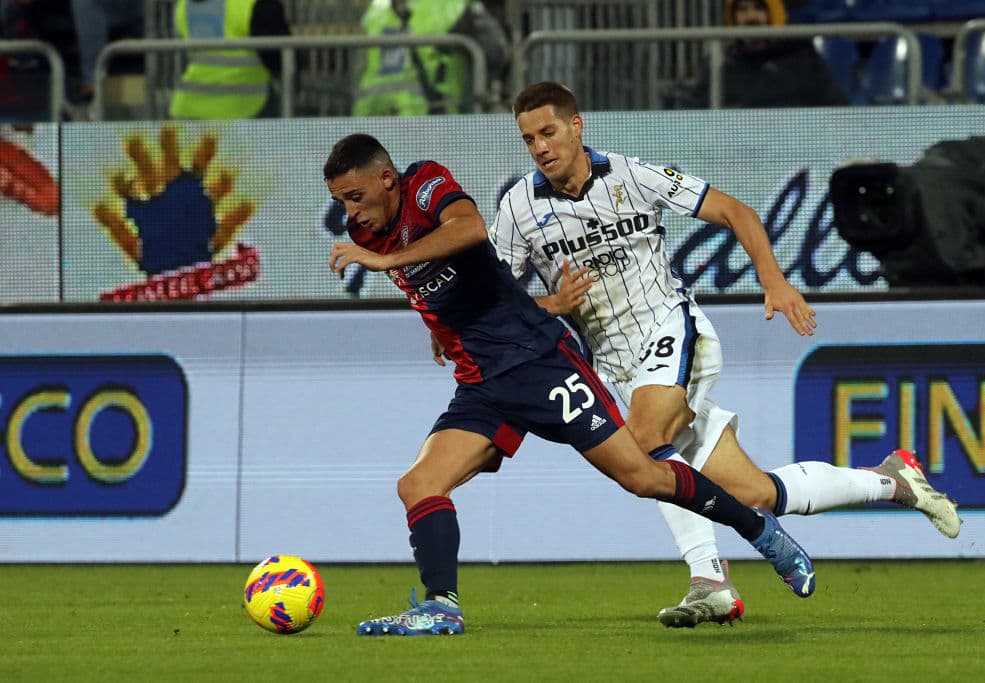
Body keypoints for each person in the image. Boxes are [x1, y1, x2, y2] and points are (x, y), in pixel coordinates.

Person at [490, 81, 961, 629]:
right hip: (617, 368)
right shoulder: (519, 208)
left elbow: (735, 212)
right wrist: (547, 304)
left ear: (577, 126)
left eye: (548, 132)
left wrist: (774, 282)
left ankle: (709, 578)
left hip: (672, 329)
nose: (541, 148)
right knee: (756, 490)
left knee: (643, 449)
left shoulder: (632, 176)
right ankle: (893, 481)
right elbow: (499, 295)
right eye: (528, 140)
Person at [324, 133, 816, 637]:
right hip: (481, 380)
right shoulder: (364, 233)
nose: (351, 212)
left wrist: (387, 263)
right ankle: (441, 607)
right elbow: (451, 290)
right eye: (341, 201)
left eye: (356, 197)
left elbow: (469, 229)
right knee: (418, 485)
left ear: (388, 179)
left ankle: (757, 528)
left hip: (539, 362)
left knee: (643, 476)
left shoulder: (425, 184)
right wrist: (439, 328)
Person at [669, 0, 848, 109]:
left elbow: (834, 107)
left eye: (758, 9)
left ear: (773, 14)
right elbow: (697, 108)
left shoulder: (802, 58)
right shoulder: (719, 62)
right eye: (743, 10)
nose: (751, 17)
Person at [351, 0, 508, 116]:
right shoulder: (454, 6)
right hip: (433, 113)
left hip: (371, 112)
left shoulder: (376, 8)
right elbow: (496, 54)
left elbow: (358, 66)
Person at [169, 0, 292, 120]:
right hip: (240, 109)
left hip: (188, 107)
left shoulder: (184, 4)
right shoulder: (255, 5)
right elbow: (280, 60)